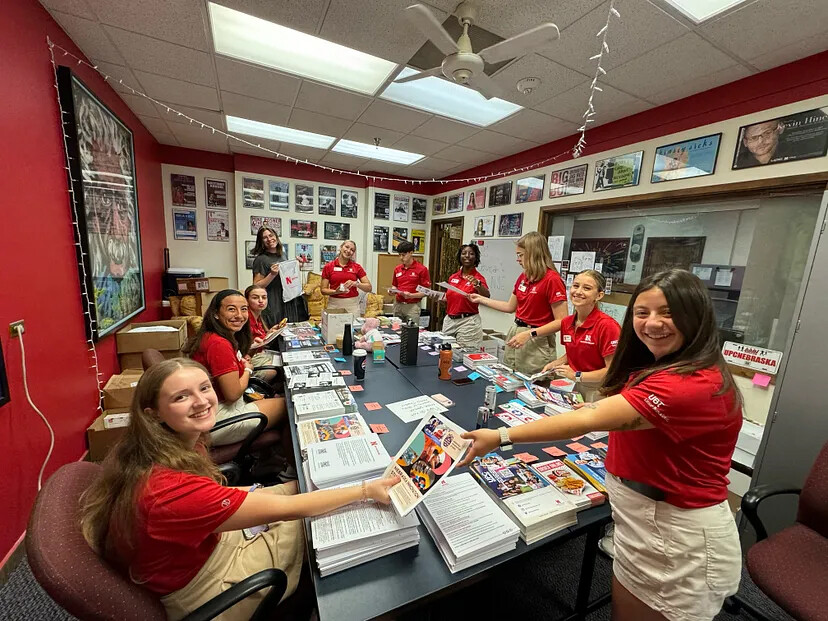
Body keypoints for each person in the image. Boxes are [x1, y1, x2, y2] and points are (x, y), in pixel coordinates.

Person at [461, 269, 743, 621]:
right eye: (642, 313)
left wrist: (501, 436)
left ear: (696, 317)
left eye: (667, 313)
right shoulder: (664, 366)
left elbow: (587, 420)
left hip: (674, 536)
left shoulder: (686, 383)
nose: (652, 323)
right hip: (640, 522)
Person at [79, 358, 399, 621]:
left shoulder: (161, 447)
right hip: (205, 589)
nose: (202, 401)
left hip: (199, 550)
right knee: (319, 523)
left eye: (204, 388)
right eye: (181, 397)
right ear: (154, 414)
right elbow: (289, 510)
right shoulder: (170, 490)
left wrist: (305, 485)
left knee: (304, 498)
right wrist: (365, 490)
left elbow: (255, 499)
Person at [182, 289, 286, 447]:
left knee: (277, 397)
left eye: (243, 309)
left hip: (210, 409)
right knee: (289, 405)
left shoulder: (215, 336)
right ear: (216, 314)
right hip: (217, 417)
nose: (239, 315)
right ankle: (287, 469)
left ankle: (267, 458)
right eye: (231, 309)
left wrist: (241, 363)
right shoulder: (218, 343)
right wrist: (247, 370)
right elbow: (232, 394)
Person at [471, 231, 567, 375]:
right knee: (510, 376)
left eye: (520, 255)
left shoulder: (552, 279)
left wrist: (530, 334)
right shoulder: (524, 276)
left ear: (533, 254)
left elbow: (562, 321)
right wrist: (481, 299)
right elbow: (510, 307)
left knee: (534, 382)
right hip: (517, 332)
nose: (518, 259)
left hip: (537, 338)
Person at [512, 270, 620, 394]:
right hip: (578, 385)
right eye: (575, 286)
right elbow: (575, 352)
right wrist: (556, 363)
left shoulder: (607, 326)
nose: (578, 292)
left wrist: (577, 375)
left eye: (587, 288)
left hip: (601, 388)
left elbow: (611, 371)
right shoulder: (567, 323)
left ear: (599, 295)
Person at [251, 226, 308, 324]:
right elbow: (256, 286)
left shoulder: (282, 255)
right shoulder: (260, 260)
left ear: (276, 237)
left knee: (288, 329)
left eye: (271, 235)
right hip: (274, 301)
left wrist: (298, 266)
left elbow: (285, 276)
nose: (269, 239)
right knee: (276, 329)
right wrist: (272, 274)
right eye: (265, 237)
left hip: (287, 299)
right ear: (261, 241)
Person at [436, 243, 490, 347]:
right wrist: (439, 299)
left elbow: (486, 296)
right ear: (459, 256)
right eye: (464, 253)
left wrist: (477, 284)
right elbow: (451, 299)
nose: (467, 256)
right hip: (450, 320)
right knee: (444, 351)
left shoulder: (478, 278)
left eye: (471, 254)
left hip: (468, 321)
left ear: (476, 258)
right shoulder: (453, 277)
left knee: (464, 355)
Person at [320, 240, 372, 315]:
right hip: (334, 305)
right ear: (341, 247)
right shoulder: (328, 267)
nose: (348, 251)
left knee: (353, 326)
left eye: (352, 250)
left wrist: (356, 284)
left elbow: (369, 287)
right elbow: (323, 290)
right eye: (346, 247)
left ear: (353, 253)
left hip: (352, 305)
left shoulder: (357, 267)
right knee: (333, 326)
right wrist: (335, 292)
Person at [391, 240, 431, 325]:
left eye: (404, 255)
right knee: (395, 330)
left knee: (411, 332)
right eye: (399, 255)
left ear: (411, 253)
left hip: (412, 306)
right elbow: (394, 285)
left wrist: (411, 295)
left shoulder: (422, 269)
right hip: (398, 305)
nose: (401, 258)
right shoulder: (397, 269)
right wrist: (392, 291)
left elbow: (426, 292)